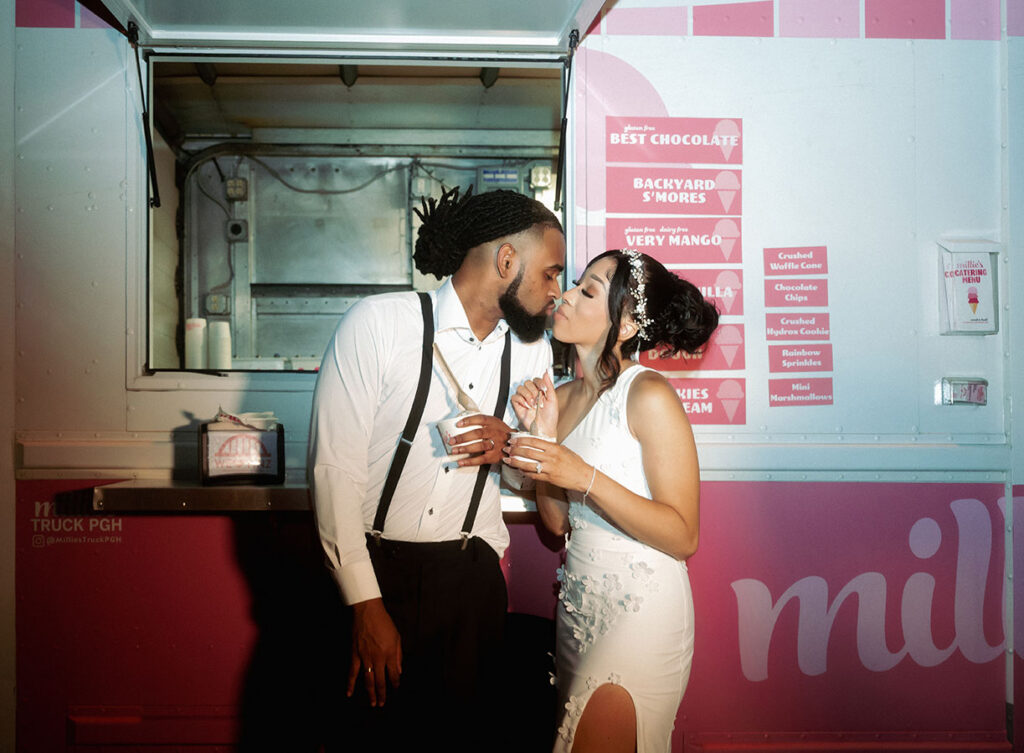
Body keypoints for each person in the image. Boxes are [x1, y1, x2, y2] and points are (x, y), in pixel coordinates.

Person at [308, 185, 565, 751]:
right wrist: (365, 605)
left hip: (472, 585)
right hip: (377, 574)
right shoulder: (378, 324)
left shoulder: (532, 352)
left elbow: (535, 480)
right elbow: (333, 474)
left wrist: (512, 449)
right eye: (550, 273)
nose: (556, 293)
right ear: (506, 261)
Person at [504, 249, 719, 753]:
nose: (565, 295)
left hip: (643, 609)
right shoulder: (565, 396)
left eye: (587, 291)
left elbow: (683, 534)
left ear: (624, 323)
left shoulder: (648, 394)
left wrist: (582, 473)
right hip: (579, 609)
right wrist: (545, 446)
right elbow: (556, 525)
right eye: (574, 284)